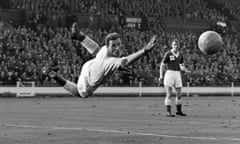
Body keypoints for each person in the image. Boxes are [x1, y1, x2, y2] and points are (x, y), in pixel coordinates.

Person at [43, 23, 157, 98]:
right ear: (107, 46)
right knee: (80, 93)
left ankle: (79, 37)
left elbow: (123, 61)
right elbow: (125, 60)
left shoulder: (109, 56)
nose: (117, 48)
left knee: (97, 50)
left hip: (89, 74)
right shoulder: (110, 58)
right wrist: (144, 50)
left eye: (119, 45)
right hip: (88, 76)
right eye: (114, 46)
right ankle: (78, 37)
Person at [159, 39, 190, 117]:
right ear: (172, 46)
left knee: (179, 94)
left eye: (177, 45)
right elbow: (162, 65)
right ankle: (168, 112)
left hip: (177, 73)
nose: (176, 46)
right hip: (169, 73)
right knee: (169, 94)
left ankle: (178, 111)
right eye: (174, 45)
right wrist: (161, 76)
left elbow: (181, 65)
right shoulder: (168, 54)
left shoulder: (180, 55)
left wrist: (186, 70)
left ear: (178, 46)